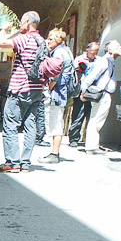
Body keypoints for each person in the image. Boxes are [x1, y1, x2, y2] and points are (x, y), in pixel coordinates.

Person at [0, 11, 45, 174]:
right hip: (37, 89)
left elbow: (2, 44)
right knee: (30, 126)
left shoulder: (25, 39)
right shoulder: (42, 41)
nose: (20, 25)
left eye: (22, 22)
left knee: (10, 124)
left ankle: (12, 162)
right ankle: (25, 163)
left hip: (20, 88)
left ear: (29, 22)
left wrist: (3, 29)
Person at [40, 28, 75, 164]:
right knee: (56, 121)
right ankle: (54, 152)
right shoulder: (66, 50)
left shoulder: (59, 53)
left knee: (55, 123)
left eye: (51, 39)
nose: (48, 41)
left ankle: (54, 154)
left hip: (57, 92)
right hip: (61, 91)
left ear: (58, 40)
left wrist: (48, 89)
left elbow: (55, 75)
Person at [81, 40, 121, 154]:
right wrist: (84, 91)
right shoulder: (104, 62)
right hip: (101, 94)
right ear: (110, 50)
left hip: (104, 94)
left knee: (98, 119)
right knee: (96, 119)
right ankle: (91, 146)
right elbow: (91, 76)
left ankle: (93, 145)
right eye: (117, 46)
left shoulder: (109, 61)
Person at [69, 42, 99, 146]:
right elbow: (77, 72)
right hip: (81, 91)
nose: (94, 54)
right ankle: (74, 138)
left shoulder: (98, 60)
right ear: (87, 50)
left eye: (96, 52)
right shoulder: (79, 59)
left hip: (93, 91)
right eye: (93, 51)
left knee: (91, 115)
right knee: (78, 114)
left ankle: (89, 139)